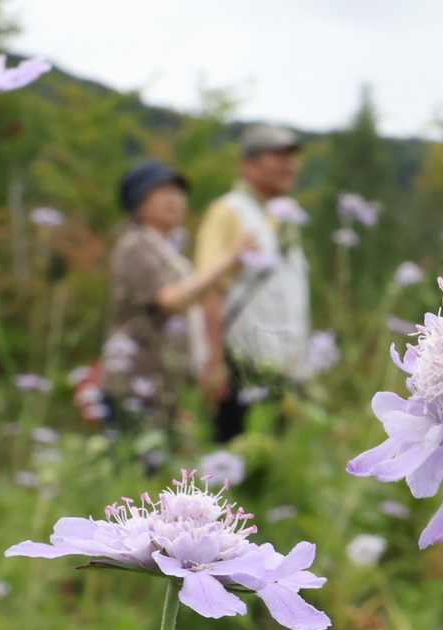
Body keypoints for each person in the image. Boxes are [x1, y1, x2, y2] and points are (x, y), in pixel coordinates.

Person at [99, 160, 254, 434]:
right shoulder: (135, 245)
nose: (174, 199)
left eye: (178, 192)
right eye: (162, 191)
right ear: (137, 201)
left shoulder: (170, 253)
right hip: (135, 387)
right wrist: (229, 258)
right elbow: (172, 300)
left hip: (162, 390)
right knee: (138, 472)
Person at [195, 124, 310, 444]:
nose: (290, 164)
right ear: (248, 164)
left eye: (292, 156)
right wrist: (214, 360)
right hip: (240, 363)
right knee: (233, 460)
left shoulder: (284, 218)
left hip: (282, 367)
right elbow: (210, 287)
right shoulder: (226, 211)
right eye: (278, 156)